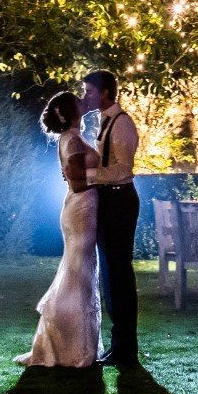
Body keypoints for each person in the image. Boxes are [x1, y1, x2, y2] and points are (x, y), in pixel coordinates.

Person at [14, 91, 101, 368]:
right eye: (79, 104)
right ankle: (71, 346)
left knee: (79, 270)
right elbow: (77, 183)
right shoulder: (73, 140)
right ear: (70, 112)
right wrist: (108, 176)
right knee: (78, 273)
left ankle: (72, 343)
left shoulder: (70, 138)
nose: (83, 106)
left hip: (80, 208)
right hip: (82, 207)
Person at [82, 68, 140, 366]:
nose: (86, 96)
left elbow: (122, 169)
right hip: (109, 199)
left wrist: (86, 175)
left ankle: (126, 347)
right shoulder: (105, 122)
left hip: (120, 199)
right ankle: (119, 345)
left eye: (90, 91)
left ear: (105, 92)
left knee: (119, 273)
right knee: (110, 273)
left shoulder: (122, 124)